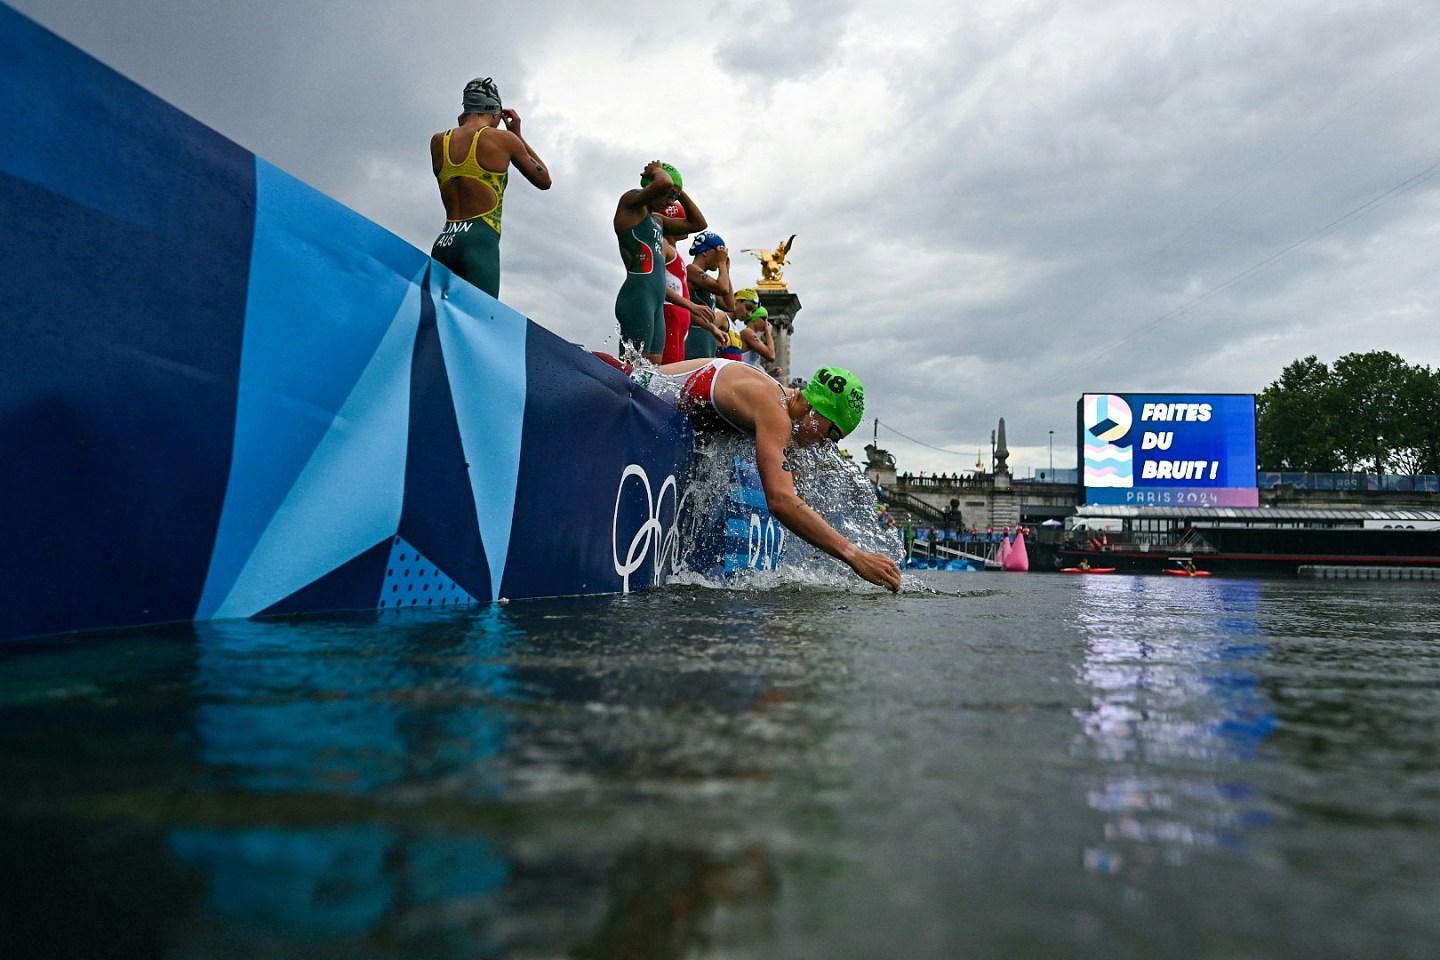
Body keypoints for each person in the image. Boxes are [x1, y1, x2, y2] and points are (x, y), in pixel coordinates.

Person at [630, 358, 901, 592]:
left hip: (639, 409)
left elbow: (801, 502)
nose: (826, 445)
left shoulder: (785, 409)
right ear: (817, 412)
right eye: (832, 435)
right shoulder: (775, 411)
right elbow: (781, 501)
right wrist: (855, 556)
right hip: (623, 395)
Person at [430, 77, 551, 298]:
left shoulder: (439, 141)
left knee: (434, 326)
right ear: (495, 112)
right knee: (479, 323)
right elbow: (544, 181)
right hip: (478, 243)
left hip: (445, 241)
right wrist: (517, 134)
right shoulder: (504, 139)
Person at [614, 162, 707, 362]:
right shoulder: (630, 204)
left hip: (655, 301)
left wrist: (680, 191)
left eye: (675, 197)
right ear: (653, 186)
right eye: (670, 194)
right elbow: (663, 181)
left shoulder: (658, 220)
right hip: (638, 295)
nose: (672, 202)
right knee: (632, 367)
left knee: (652, 370)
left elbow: (699, 224)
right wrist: (656, 171)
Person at [684, 232, 734, 360]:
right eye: (719, 253)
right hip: (694, 339)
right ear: (705, 252)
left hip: (706, 340)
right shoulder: (692, 270)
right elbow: (722, 288)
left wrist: (726, 271)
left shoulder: (708, 285)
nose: (720, 258)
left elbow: (729, 305)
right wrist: (722, 265)